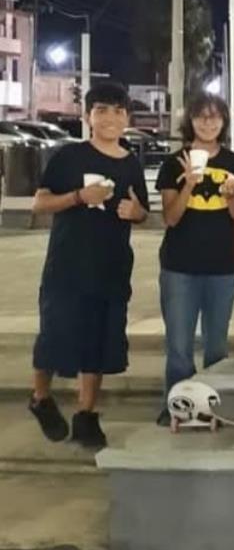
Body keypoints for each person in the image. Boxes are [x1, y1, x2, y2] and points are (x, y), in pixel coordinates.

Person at [28, 83, 149, 449]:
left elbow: (141, 209)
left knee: (100, 342)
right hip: (68, 265)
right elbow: (39, 202)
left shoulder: (130, 162)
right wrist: (80, 196)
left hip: (112, 267)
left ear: (127, 117)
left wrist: (136, 213)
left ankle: (86, 414)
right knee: (55, 335)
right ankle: (40, 398)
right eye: (102, 111)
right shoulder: (70, 157)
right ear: (88, 117)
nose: (110, 118)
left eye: (117, 111)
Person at [155, 94, 234, 425]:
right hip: (179, 265)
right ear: (190, 121)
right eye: (201, 117)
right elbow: (170, 218)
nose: (208, 123)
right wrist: (189, 185)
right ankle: (177, 407)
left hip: (223, 265)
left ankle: (211, 407)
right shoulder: (173, 164)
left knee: (216, 345)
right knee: (179, 344)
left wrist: (233, 194)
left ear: (223, 122)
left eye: (215, 117)